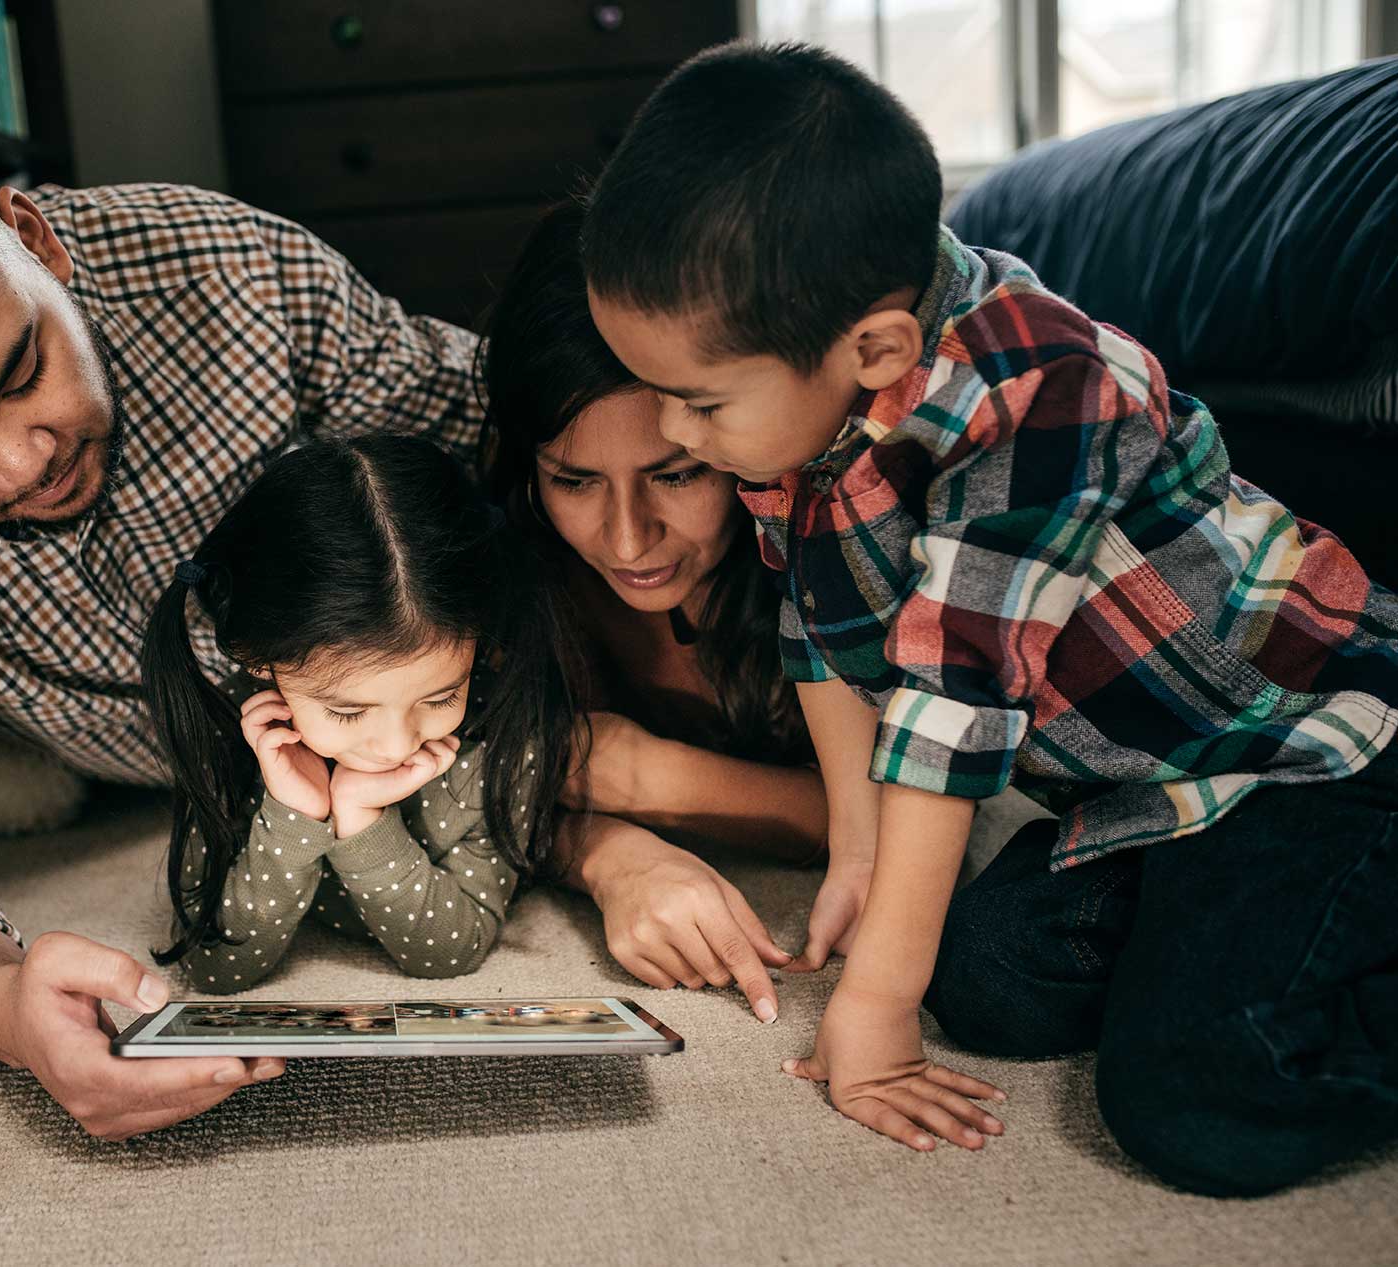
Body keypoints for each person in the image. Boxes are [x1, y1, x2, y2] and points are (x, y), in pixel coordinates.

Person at [581, 40, 1398, 1196]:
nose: (673, 431)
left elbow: (950, 703)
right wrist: (859, 853)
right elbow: (815, 627)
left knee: (1198, 1099)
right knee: (991, 983)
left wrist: (873, 1006)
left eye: (696, 402)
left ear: (872, 347)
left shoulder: (1042, 390)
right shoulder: (798, 412)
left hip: (1321, 750)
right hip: (1154, 790)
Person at [0, 134, 483, 1139]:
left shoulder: (236, 276)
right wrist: (3, 1010)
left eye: (22, 372)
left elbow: (502, 438)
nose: (23, 461)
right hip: (111, 755)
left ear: (32, 240)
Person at [481, 200, 826, 1024]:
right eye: (574, 481)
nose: (629, 540)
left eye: (676, 475)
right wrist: (610, 852)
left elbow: (918, 810)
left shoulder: (822, 538)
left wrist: (646, 774)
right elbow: (461, 790)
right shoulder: (521, 568)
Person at [139, 434, 575, 988]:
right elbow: (215, 967)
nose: (397, 746)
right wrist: (295, 813)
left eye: (441, 697)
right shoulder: (231, 728)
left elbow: (453, 952)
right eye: (347, 712)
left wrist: (365, 819)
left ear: (479, 645)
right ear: (260, 662)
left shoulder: (498, 735)